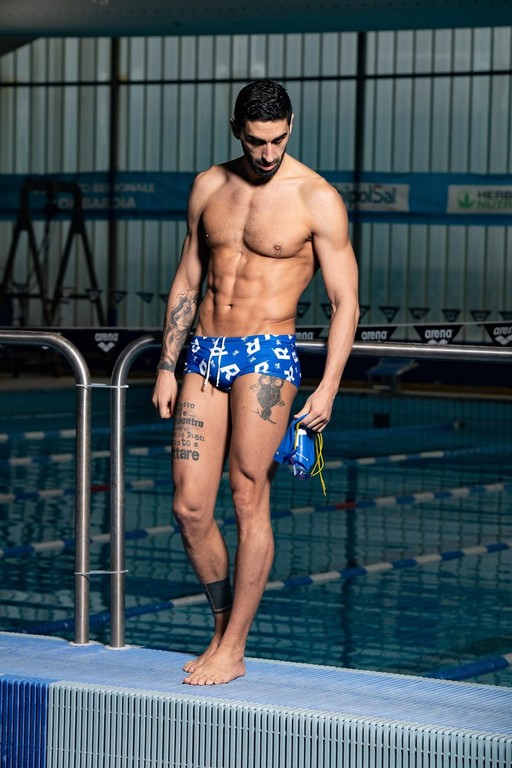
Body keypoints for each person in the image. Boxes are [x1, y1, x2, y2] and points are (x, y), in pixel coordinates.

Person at [152, 79, 359, 685]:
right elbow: (188, 277)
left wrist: (328, 388)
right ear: (235, 130)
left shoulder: (316, 198)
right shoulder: (209, 186)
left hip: (267, 355)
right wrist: (166, 364)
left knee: (248, 497)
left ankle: (234, 648)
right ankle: (222, 630)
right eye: (255, 141)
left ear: (290, 127)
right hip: (202, 354)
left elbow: (345, 303)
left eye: (278, 140)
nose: (268, 153)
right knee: (190, 507)